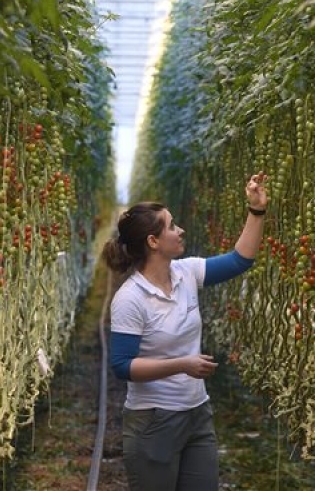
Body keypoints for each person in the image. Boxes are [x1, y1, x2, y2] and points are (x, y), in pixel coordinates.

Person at [101, 172, 268, 491]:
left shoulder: (186, 273)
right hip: (153, 421)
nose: (181, 230)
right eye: (172, 226)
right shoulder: (130, 299)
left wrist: (256, 210)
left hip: (197, 413)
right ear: (153, 241)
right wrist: (181, 364)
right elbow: (122, 366)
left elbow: (239, 260)